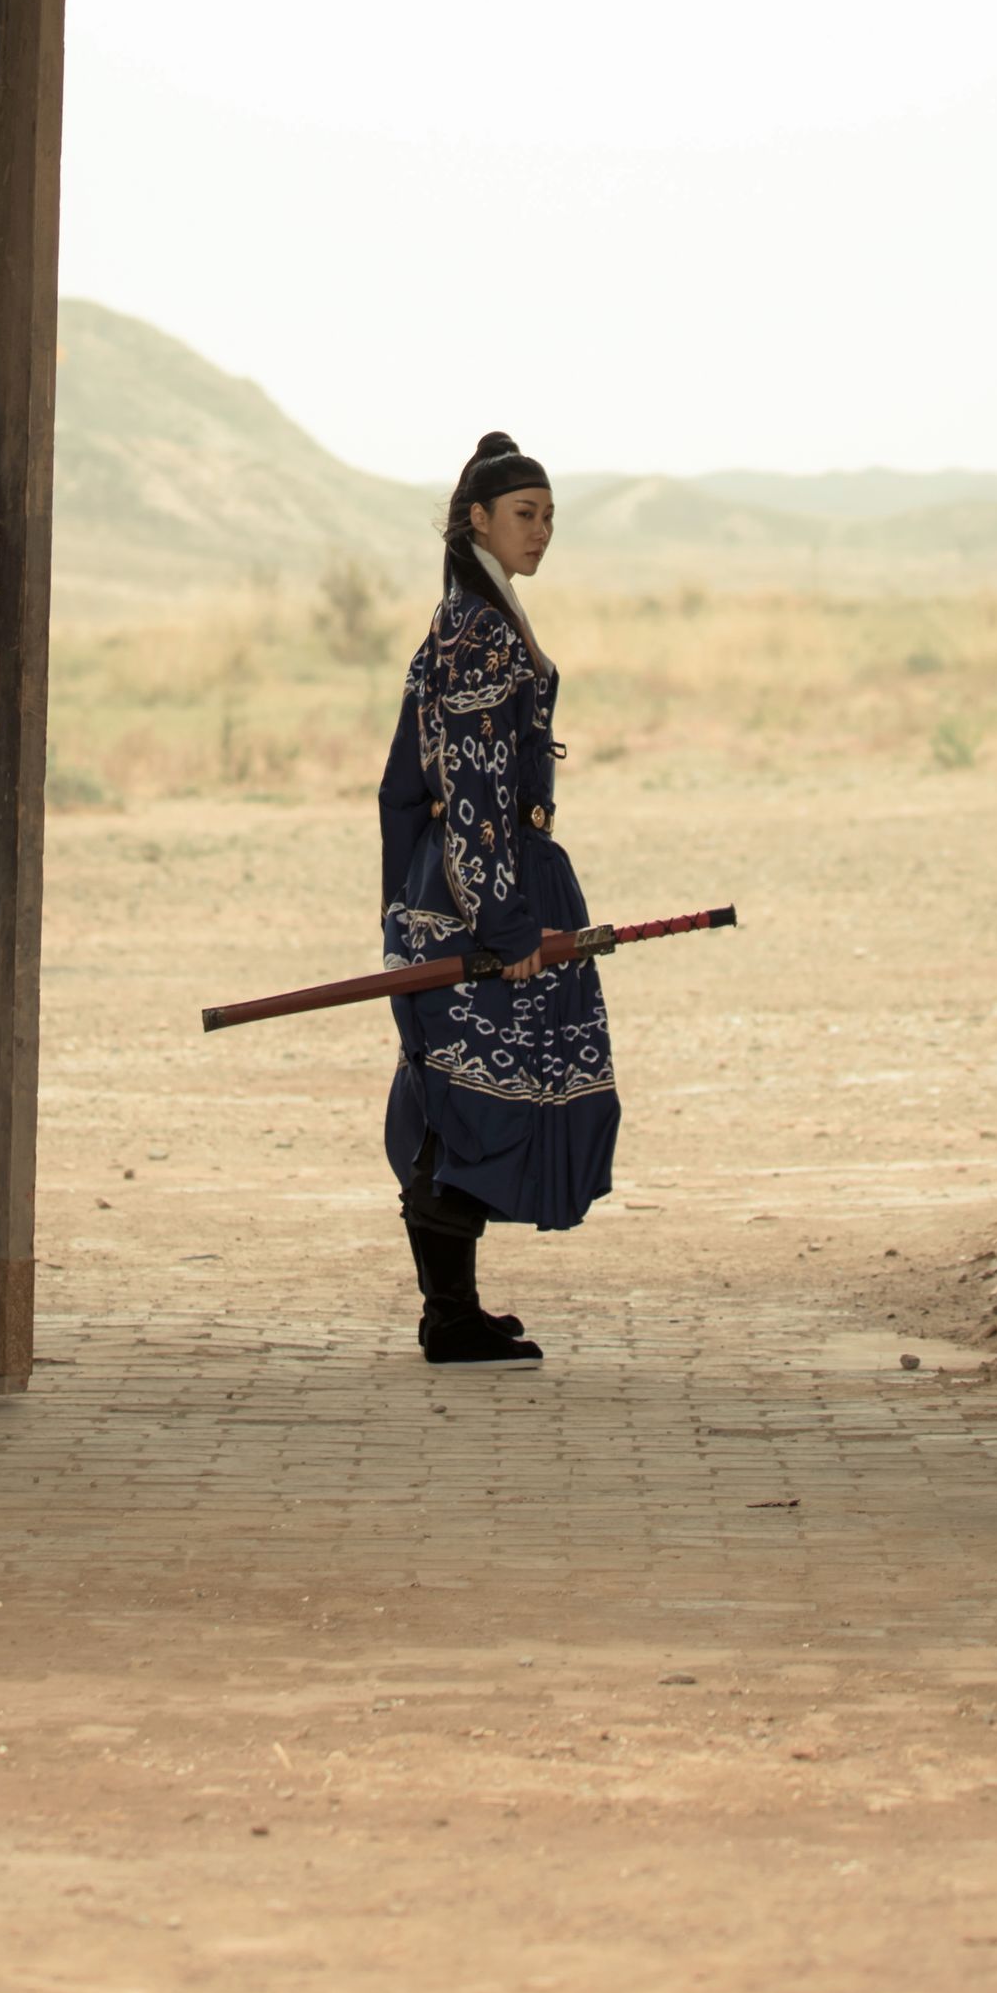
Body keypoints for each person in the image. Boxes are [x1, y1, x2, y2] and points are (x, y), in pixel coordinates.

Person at [377, 430, 620, 1364]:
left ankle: (455, 1312)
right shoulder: (478, 630)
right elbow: (471, 785)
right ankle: (447, 1319)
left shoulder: (466, 617)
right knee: (471, 1096)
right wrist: (503, 921)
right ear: (476, 519)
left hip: (459, 882)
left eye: (552, 516)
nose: (543, 531)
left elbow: (404, 787)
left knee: (467, 1088)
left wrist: (404, 899)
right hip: (488, 891)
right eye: (526, 514)